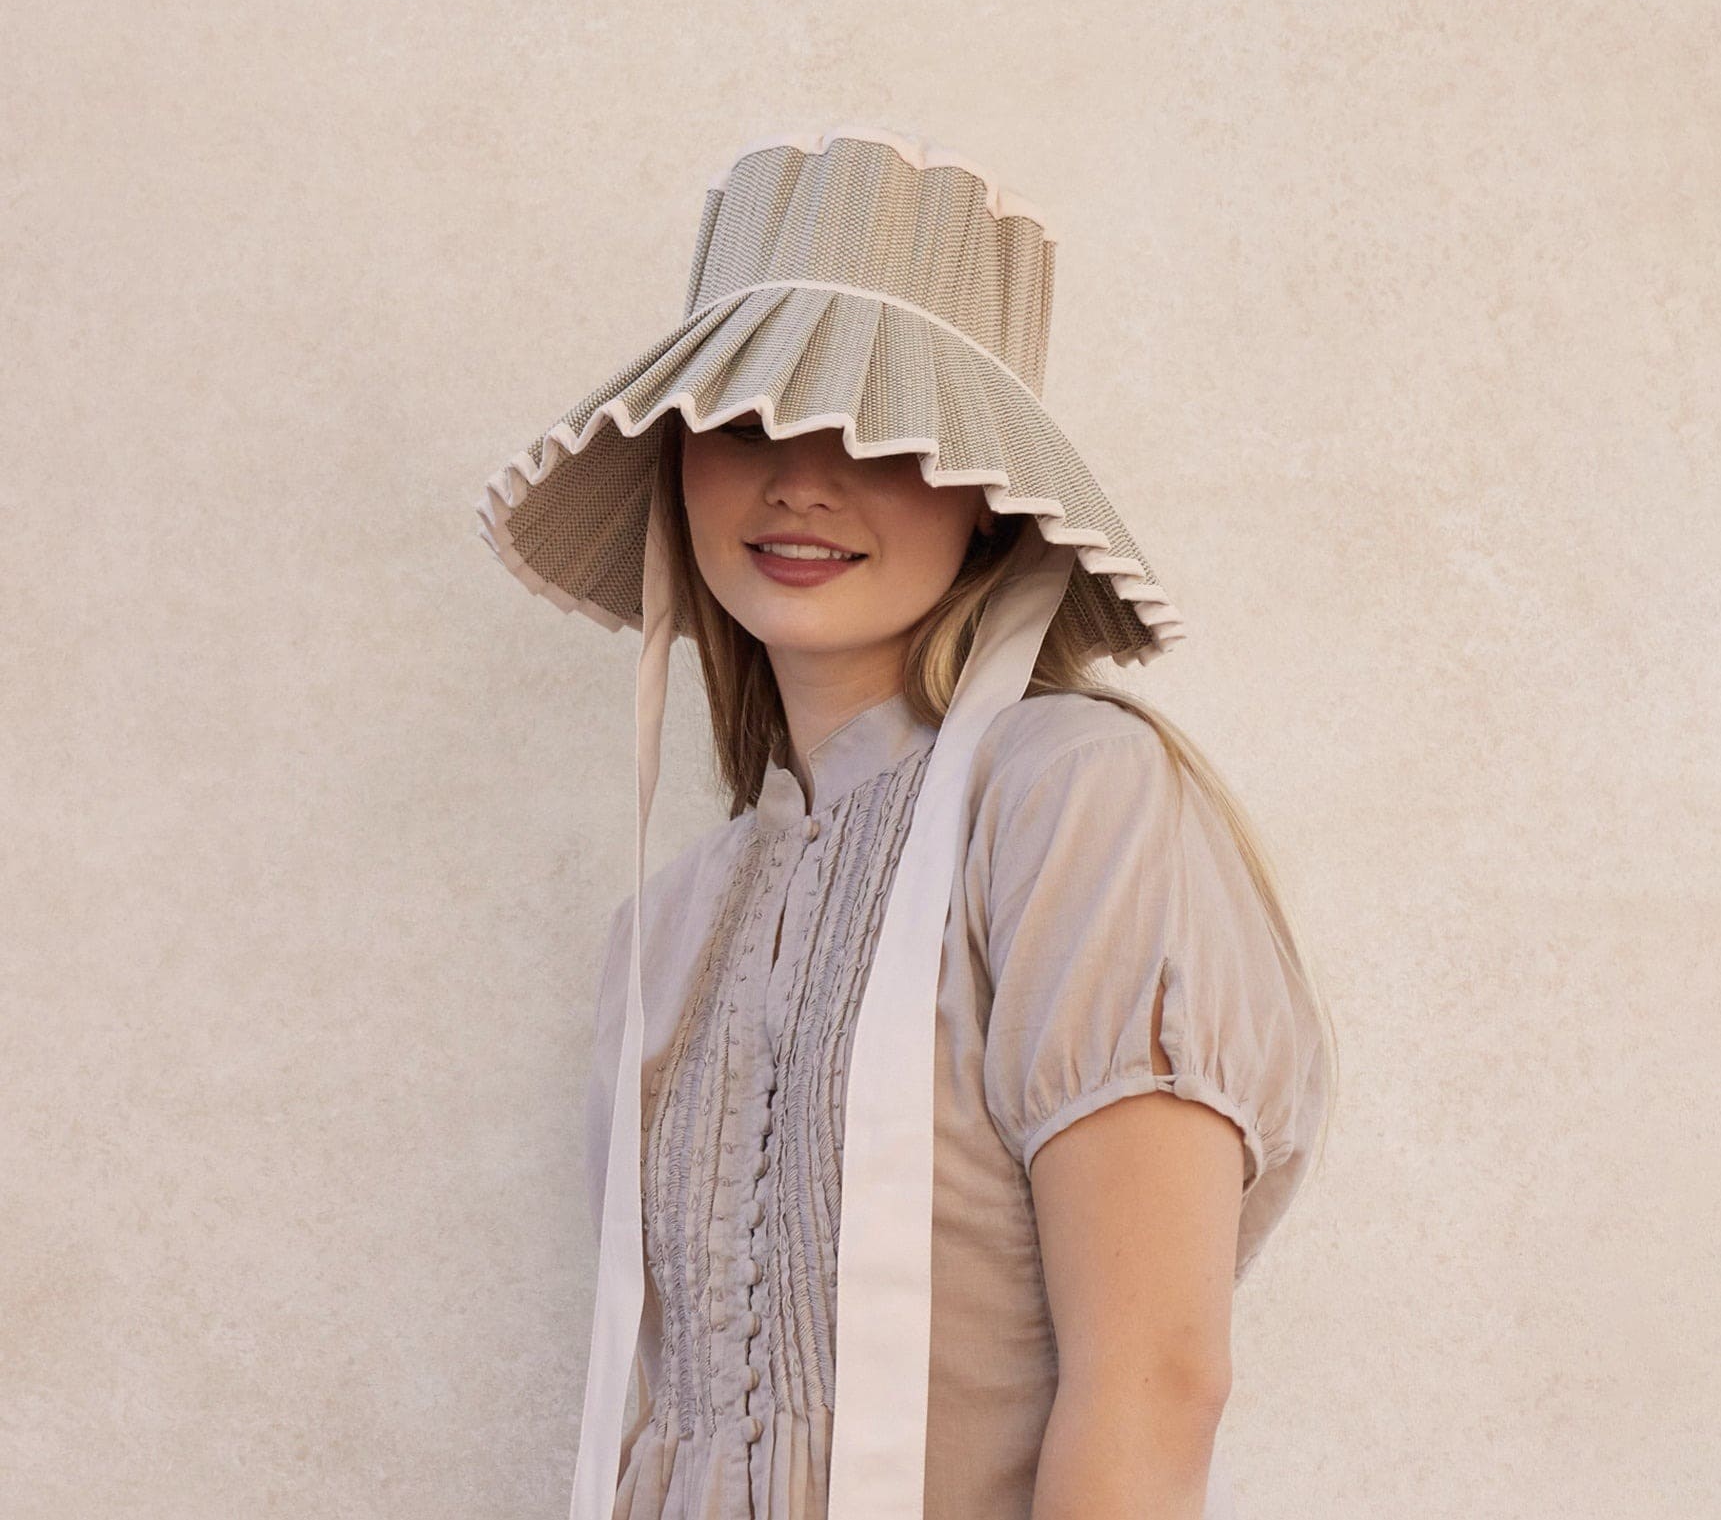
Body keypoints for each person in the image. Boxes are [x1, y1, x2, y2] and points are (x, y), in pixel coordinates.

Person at [475, 125, 1337, 1520]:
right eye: (746, 421)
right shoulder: (671, 920)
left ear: (988, 501)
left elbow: (1154, 1377)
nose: (798, 479)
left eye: (876, 432)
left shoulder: (1069, 799)